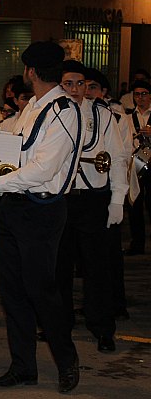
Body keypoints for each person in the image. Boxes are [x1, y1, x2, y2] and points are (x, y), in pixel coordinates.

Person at [0, 41, 81, 393]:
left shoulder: (64, 109)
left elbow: (43, 169)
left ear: (31, 72)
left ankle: (66, 361)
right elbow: (8, 146)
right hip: (14, 207)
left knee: (42, 291)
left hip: (41, 208)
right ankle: (23, 367)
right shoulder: (31, 108)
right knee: (12, 292)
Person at [56, 60, 127, 353]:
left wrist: (118, 199)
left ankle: (103, 328)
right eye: (68, 83)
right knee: (58, 267)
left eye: (80, 83)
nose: (74, 89)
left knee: (97, 267)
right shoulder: (51, 113)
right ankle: (58, 326)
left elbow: (118, 157)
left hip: (93, 198)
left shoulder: (102, 115)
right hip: (59, 199)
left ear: (88, 86)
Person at [85, 67, 134, 321]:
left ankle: (116, 303)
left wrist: (117, 197)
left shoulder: (116, 117)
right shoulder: (78, 113)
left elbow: (122, 155)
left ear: (104, 92)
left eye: (93, 87)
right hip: (82, 192)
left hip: (105, 189)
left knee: (108, 255)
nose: (88, 91)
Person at [124, 80, 151, 256]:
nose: (140, 98)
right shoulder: (127, 117)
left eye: (143, 94)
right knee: (134, 204)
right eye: (136, 94)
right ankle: (137, 243)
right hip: (136, 163)